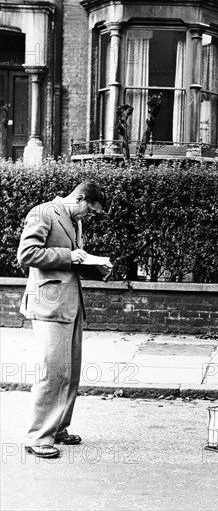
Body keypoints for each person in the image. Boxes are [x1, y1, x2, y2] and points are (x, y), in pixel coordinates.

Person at [17, 181, 109, 458]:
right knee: (53, 371)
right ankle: (37, 436)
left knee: (70, 372)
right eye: (89, 211)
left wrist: (96, 266)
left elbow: (72, 263)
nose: (88, 217)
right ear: (79, 198)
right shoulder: (44, 213)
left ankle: (57, 427)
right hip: (49, 304)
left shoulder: (72, 220)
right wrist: (70, 255)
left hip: (69, 304)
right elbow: (27, 254)